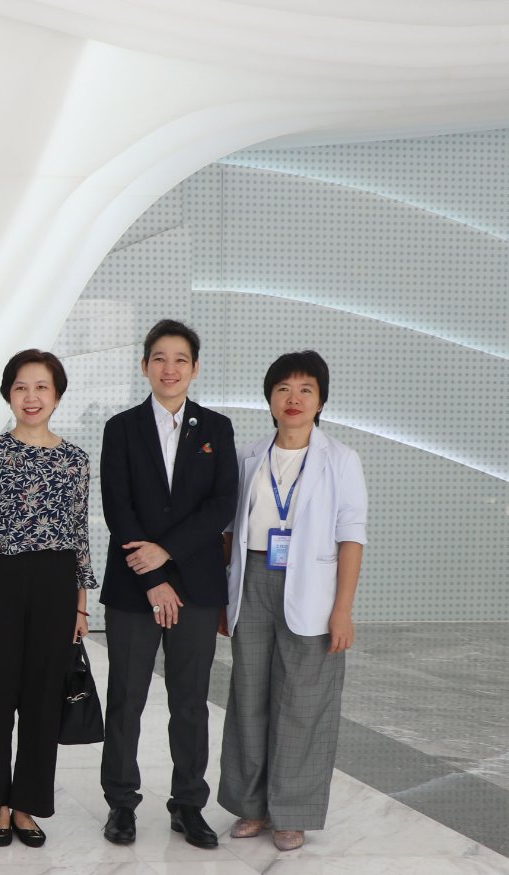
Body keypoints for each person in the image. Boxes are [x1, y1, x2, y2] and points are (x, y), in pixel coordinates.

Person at [98, 320, 238, 850]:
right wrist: (154, 575)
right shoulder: (121, 428)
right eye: (159, 358)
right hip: (135, 586)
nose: (170, 368)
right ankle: (121, 803)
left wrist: (168, 552)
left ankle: (188, 804)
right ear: (144, 366)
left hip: (197, 585)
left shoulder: (217, 428)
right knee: (126, 697)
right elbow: (118, 506)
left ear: (195, 368)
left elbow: (222, 504)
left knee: (191, 700)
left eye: (181, 359)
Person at [219, 351, 366, 852]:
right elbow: (230, 531)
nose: (294, 398)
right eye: (283, 388)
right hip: (253, 580)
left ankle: (292, 812)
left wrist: (342, 609)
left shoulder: (341, 459)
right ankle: (250, 806)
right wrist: (224, 596)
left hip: (313, 588)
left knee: (304, 702)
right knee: (248, 695)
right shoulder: (249, 456)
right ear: (269, 399)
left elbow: (351, 536)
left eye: (306, 389)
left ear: (321, 400)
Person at [0, 349, 94, 849]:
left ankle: (27, 803)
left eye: (42, 387)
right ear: (8, 395)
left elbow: (79, 534)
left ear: (57, 395)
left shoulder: (75, 459)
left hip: (56, 584)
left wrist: (79, 604)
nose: (31, 397)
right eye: (21, 387)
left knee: (42, 700)